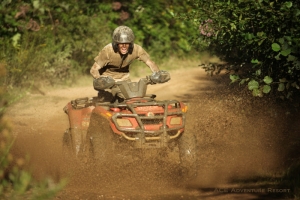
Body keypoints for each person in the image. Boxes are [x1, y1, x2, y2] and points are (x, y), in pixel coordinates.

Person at [90, 25, 168, 102]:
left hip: (125, 79)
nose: (124, 46)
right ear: (116, 43)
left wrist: (157, 74)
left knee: (132, 100)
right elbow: (94, 70)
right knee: (107, 104)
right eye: (121, 43)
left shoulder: (136, 49)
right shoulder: (108, 51)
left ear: (130, 43)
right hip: (107, 80)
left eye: (127, 43)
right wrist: (101, 81)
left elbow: (150, 63)